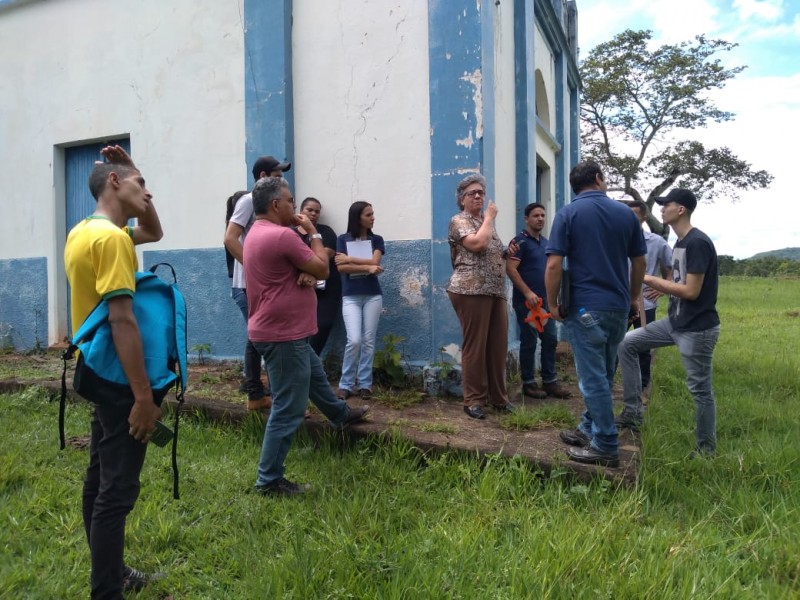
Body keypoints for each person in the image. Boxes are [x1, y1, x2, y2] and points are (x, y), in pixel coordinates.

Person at [64, 145, 165, 598]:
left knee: (99, 475)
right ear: (114, 183)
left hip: (96, 368)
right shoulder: (111, 241)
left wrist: (138, 188)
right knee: (116, 492)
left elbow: (154, 232)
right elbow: (122, 319)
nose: (148, 189)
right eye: (141, 182)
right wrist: (143, 398)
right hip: (121, 378)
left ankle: (112, 572)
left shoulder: (87, 231)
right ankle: (107, 589)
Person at [244, 177, 369, 496]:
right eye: (289, 201)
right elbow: (323, 269)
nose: (294, 206)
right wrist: (313, 235)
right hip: (281, 333)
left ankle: (340, 415)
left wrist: (306, 271)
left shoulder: (255, 233)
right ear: (275, 205)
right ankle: (269, 480)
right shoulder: (281, 235)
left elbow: (306, 270)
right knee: (288, 407)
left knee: (314, 375)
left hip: (283, 331)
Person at [545, 161, 646, 467]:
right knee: (602, 374)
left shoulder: (568, 214)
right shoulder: (625, 215)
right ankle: (588, 428)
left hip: (585, 306)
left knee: (593, 380)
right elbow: (639, 262)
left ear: (575, 186)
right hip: (617, 307)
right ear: (600, 179)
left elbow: (553, 265)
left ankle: (604, 444)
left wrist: (551, 303)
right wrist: (631, 297)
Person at [616, 189, 720, 456]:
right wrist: (666, 286)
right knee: (627, 344)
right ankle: (633, 411)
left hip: (697, 328)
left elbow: (692, 291)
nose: (661, 209)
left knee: (700, 389)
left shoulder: (697, 242)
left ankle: (706, 450)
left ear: (681, 209)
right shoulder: (680, 243)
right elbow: (679, 282)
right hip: (675, 322)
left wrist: (649, 280)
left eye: (666, 205)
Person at [224, 156, 291, 412]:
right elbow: (230, 238)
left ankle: (259, 394)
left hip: (259, 282)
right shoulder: (249, 200)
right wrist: (253, 268)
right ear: (263, 175)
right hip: (248, 284)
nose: (282, 179)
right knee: (260, 336)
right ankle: (259, 393)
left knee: (257, 336)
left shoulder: (268, 204)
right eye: (277, 174)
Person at [447, 174, 516, 419]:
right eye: (472, 193)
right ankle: (473, 400)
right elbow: (476, 245)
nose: (478, 196)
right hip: (470, 289)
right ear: (462, 199)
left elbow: (491, 250)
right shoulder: (459, 220)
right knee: (475, 346)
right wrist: (488, 217)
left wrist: (508, 251)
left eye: (481, 193)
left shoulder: (486, 223)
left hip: (495, 290)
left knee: (497, 346)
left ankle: (498, 398)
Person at [506, 202, 571, 400]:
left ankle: (550, 381)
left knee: (550, 340)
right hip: (526, 303)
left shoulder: (547, 243)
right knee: (529, 342)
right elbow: (510, 269)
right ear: (526, 219)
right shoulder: (519, 242)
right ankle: (528, 383)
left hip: (545, 303)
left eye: (543, 215)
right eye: (536, 215)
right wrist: (527, 293)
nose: (540, 219)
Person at [620, 199, 673, 399]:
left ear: (643, 217)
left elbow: (671, 268)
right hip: (619, 302)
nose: (631, 218)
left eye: (635, 214)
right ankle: (608, 387)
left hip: (645, 302)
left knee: (643, 345)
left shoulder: (656, 242)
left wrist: (663, 287)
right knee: (614, 343)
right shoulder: (616, 240)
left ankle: (642, 387)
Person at [334, 201, 385, 400]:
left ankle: (365, 384)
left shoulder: (377, 240)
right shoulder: (342, 239)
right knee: (354, 340)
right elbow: (341, 268)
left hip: (373, 295)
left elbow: (375, 262)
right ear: (358, 218)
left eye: (373, 214)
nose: (373, 218)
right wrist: (365, 267)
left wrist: (350, 259)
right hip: (350, 296)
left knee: (368, 341)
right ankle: (346, 383)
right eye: (368, 215)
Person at [296, 197, 342, 356]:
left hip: (327, 288)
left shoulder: (326, 231)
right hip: (300, 288)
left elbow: (328, 252)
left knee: (324, 323)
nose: (314, 213)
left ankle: (312, 360)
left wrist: (309, 270)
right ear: (301, 211)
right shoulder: (291, 233)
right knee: (299, 329)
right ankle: (303, 364)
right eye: (310, 210)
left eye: (317, 211)